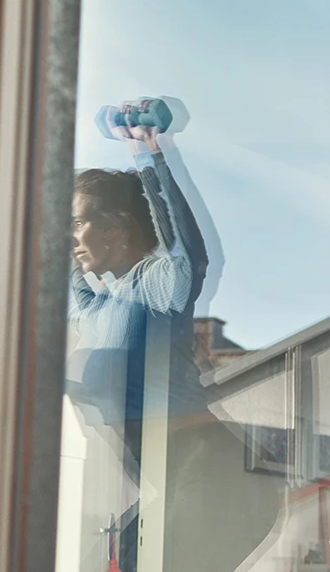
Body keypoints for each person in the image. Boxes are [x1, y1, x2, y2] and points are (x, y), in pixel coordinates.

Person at [68, 97, 278, 572]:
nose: (71, 237)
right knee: (97, 563)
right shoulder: (98, 305)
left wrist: (147, 151)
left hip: (218, 477)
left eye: (78, 223)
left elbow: (189, 252)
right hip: (176, 481)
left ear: (116, 228)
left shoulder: (155, 288)